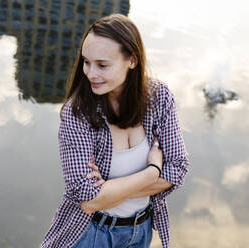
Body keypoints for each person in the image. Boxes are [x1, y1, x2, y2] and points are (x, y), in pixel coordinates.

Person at [41, 14, 189, 248]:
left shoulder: (159, 97)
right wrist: (152, 172)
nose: (90, 73)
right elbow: (88, 201)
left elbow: (178, 168)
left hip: (140, 232)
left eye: (102, 65)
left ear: (132, 60)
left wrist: (108, 193)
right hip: (89, 233)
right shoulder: (77, 112)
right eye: (86, 62)